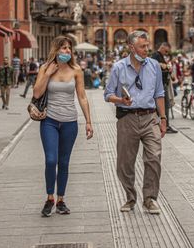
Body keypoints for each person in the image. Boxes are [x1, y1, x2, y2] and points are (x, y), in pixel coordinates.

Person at [104, 30, 167, 215]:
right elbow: (108, 95)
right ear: (131, 48)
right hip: (127, 119)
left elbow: (159, 94)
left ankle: (150, 199)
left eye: (147, 46)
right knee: (125, 162)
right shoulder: (118, 67)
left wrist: (163, 119)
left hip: (149, 117)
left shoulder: (154, 66)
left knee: (154, 157)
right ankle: (130, 197)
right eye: (142, 46)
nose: (146, 49)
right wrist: (121, 100)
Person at [32, 36, 93, 217]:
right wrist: (49, 73)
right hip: (49, 120)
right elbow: (36, 92)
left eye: (69, 48)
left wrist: (88, 121)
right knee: (51, 160)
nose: (67, 51)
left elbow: (82, 97)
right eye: (63, 48)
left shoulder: (76, 70)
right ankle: (49, 197)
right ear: (55, 50)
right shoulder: (45, 68)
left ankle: (60, 200)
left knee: (64, 162)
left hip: (70, 122)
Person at [151, 42, 177, 133]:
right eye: (166, 51)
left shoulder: (160, 56)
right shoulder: (155, 55)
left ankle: (165, 125)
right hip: (160, 85)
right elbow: (153, 64)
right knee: (164, 106)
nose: (166, 53)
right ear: (162, 47)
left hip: (163, 84)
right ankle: (165, 126)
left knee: (166, 105)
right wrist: (165, 66)